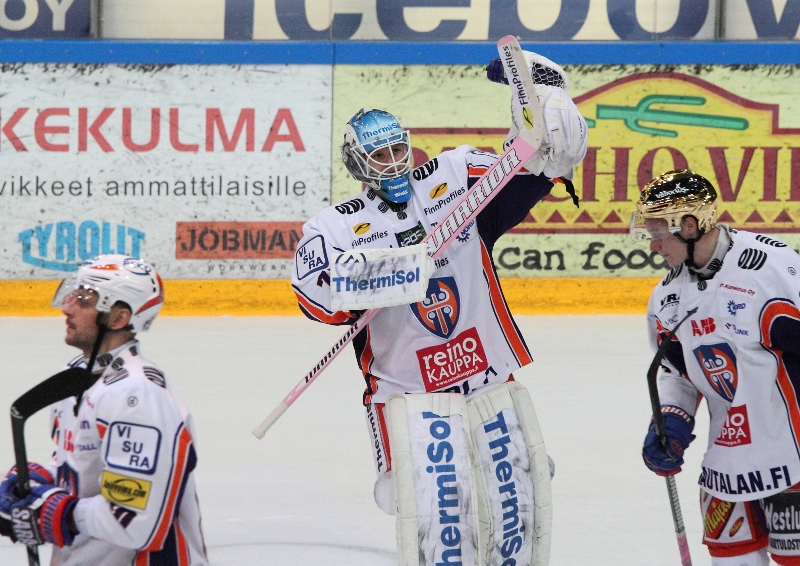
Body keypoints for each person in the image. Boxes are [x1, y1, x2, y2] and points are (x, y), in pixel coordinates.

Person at [291, 51, 587, 564]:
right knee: (435, 517)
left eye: (396, 149)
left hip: (487, 374)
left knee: (517, 506)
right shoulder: (334, 225)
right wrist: (397, 268)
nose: (392, 162)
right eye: (378, 156)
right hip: (409, 390)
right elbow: (315, 296)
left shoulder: (450, 173)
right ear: (358, 165)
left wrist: (541, 104)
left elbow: (535, 165)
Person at [632, 169, 800, 565]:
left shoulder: (773, 271)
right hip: (726, 466)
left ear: (690, 226)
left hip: (792, 458)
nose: (654, 246)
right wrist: (670, 421)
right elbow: (676, 373)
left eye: (659, 233)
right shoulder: (667, 298)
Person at [0, 254, 208, 565]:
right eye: (73, 294)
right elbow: (82, 468)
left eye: (84, 300)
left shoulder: (137, 396)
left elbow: (134, 521)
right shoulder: (77, 377)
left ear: (118, 318)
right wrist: (35, 479)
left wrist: (52, 511)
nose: (67, 307)